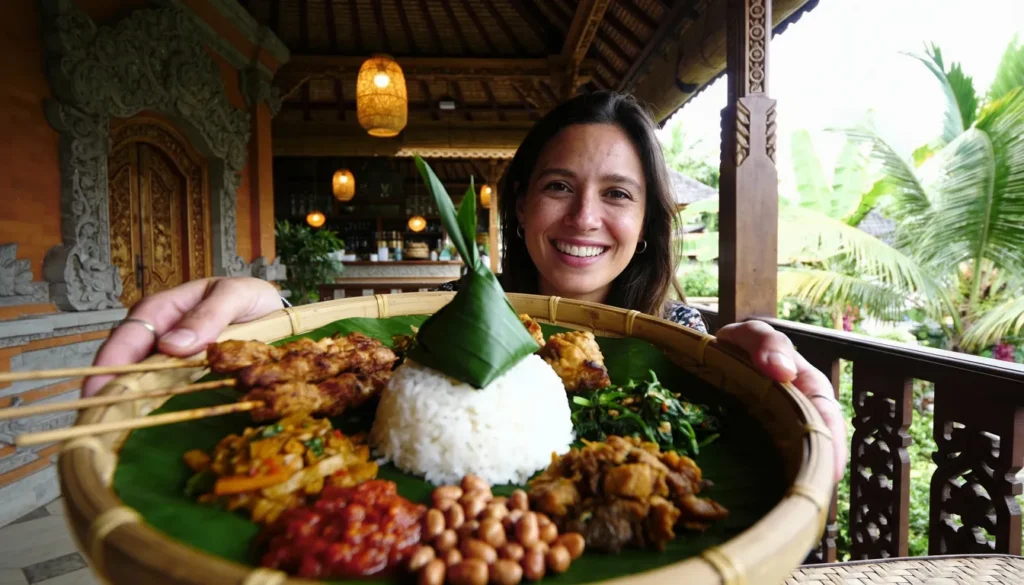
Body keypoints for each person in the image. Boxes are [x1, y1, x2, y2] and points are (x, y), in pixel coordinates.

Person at [83, 91, 847, 481]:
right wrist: (274, 324)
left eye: (618, 193)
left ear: (647, 223)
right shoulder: (447, 320)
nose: (584, 216)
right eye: (557, 185)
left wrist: (792, 426)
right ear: (519, 205)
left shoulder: (688, 349)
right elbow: (374, 361)